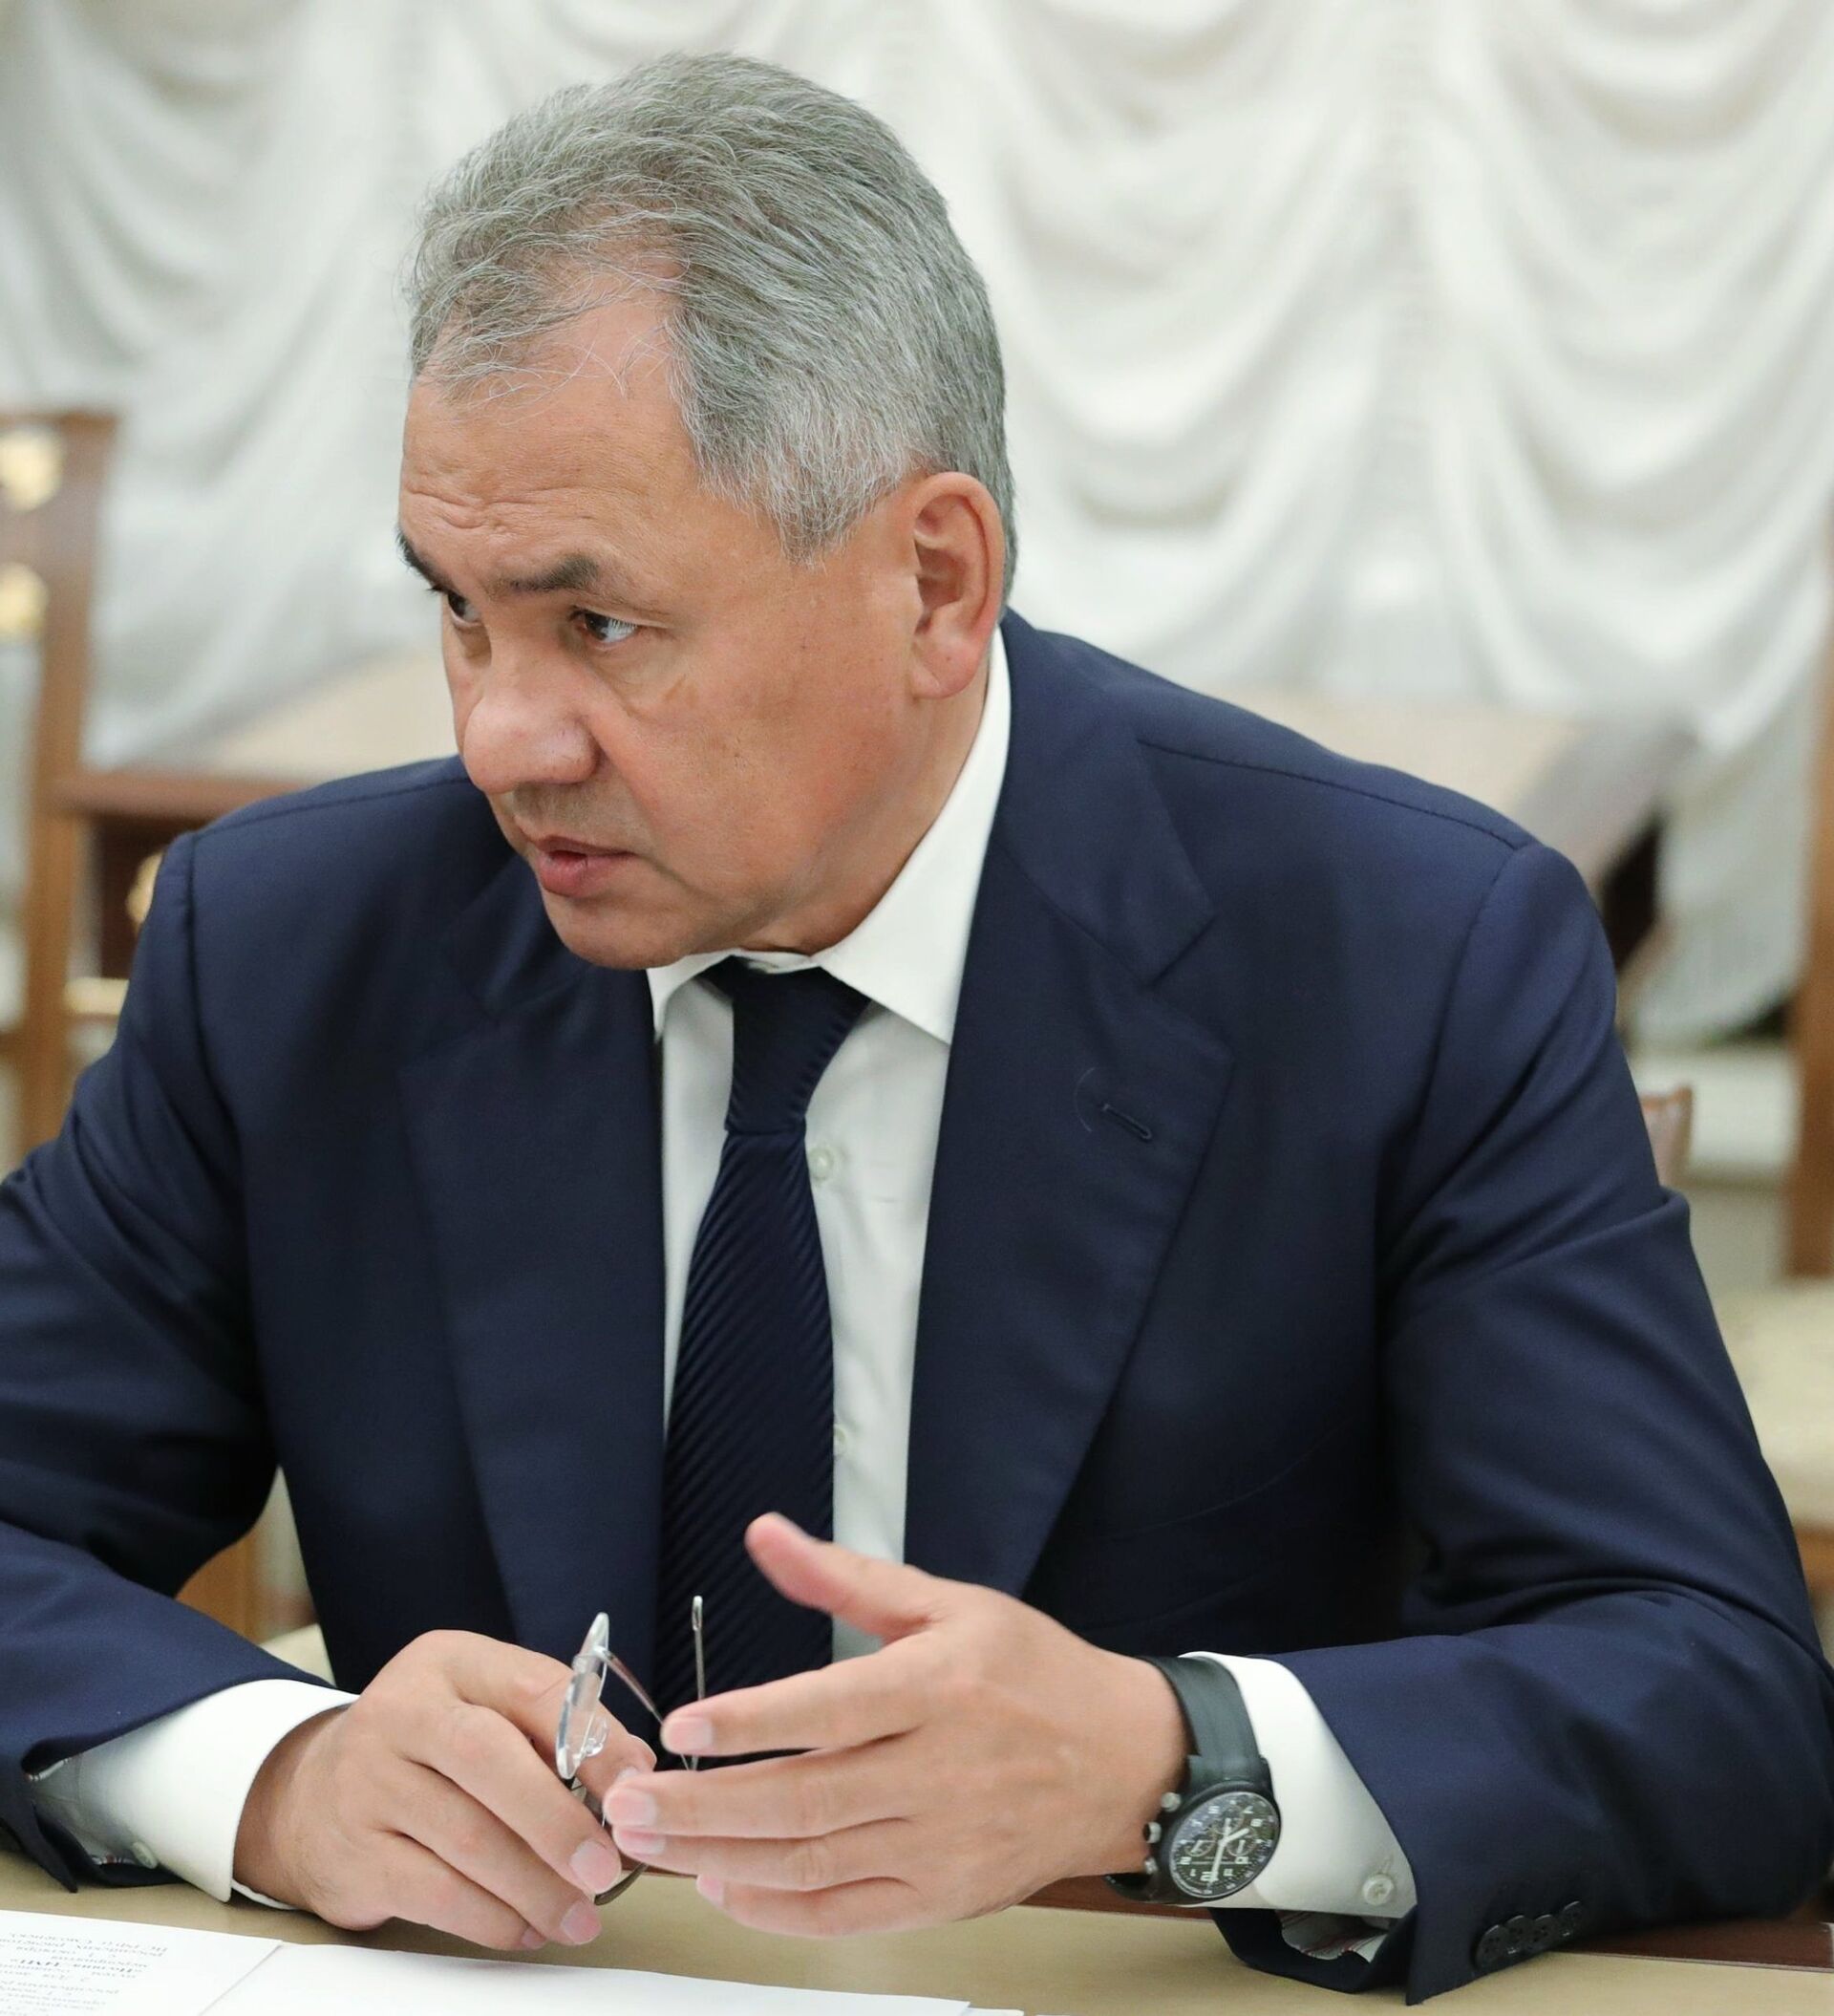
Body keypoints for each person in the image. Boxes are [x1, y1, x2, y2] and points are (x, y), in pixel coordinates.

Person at [2, 53, 1830, 2005]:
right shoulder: (298, 948)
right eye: (459, 610)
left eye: (598, 624)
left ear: (934, 582)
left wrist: (1174, 1760)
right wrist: (275, 1774)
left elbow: (1723, 1695)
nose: (500, 738)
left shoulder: (1403, 956)